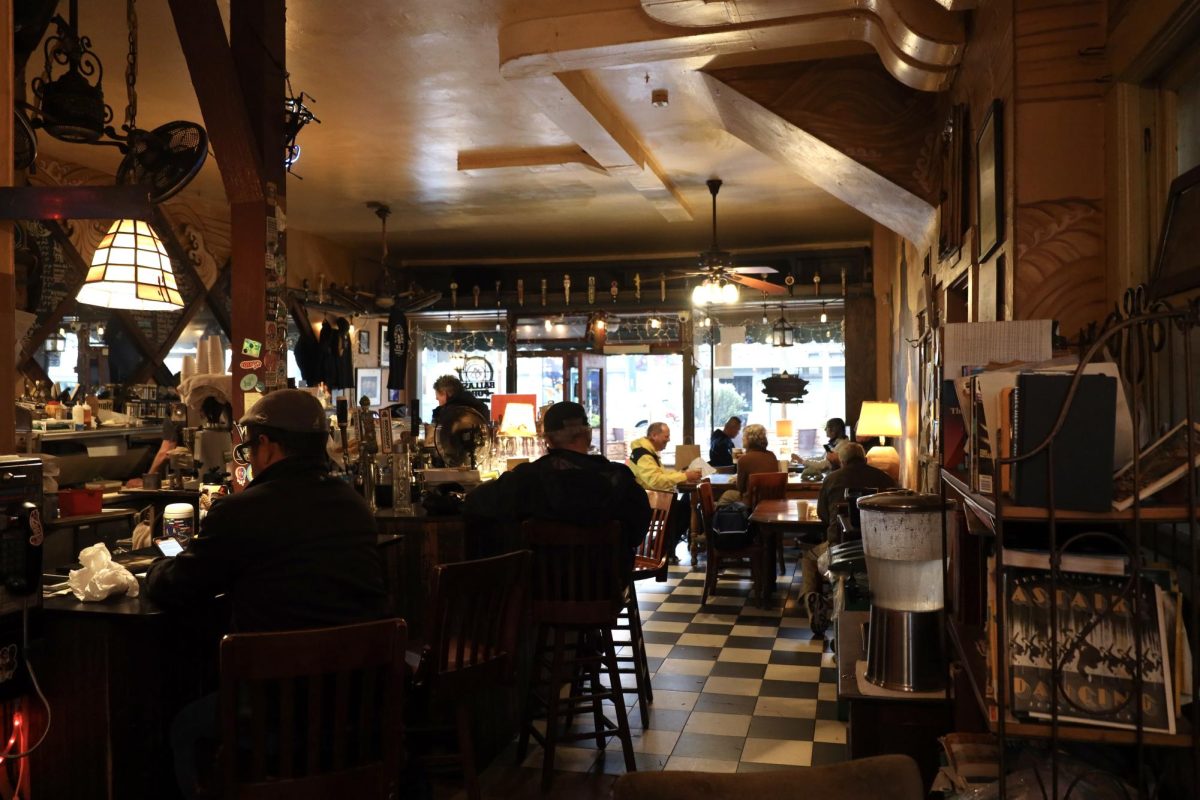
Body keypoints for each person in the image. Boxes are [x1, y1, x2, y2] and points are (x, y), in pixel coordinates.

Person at [146, 389, 387, 798]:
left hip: (277, 715)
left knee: (185, 727)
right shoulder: (355, 507)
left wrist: (156, 566)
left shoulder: (242, 512)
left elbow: (176, 586)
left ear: (267, 445)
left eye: (250, 446)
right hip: (360, 707)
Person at [463, 401, 650, 559]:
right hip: (606, 590)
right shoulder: (620, 480)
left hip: (540, 592)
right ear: (588, 434)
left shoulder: (525, 478)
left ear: (548, 440)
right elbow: (636, 535)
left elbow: (475, 504)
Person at [628, 422, 700, 564]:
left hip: (650, 499)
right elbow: (656, 480)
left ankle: (664, 546)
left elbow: (660, 474)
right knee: (685, 510)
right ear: (654, 435)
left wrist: (681, 474)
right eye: (666, 436)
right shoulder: (643, 455)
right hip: (646, 503)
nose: (668, 439)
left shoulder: (647, 452)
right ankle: (661, 547)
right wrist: (685, 476)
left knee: (685, 505)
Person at [816, 441, 896, 528]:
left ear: (842, 462)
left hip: (839, 538)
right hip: (877, 537)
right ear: (865, 460)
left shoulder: (830, 479)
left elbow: (822, 513)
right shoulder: (885, 479)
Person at [735, 423, 779, 495]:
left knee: (726, 496)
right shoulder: (772, 455)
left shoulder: (744, 459)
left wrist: (736, 481)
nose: (742, 438)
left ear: (750, 439)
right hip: (771, 500)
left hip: (752, 501)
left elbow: (740, 488)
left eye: (744, 436)